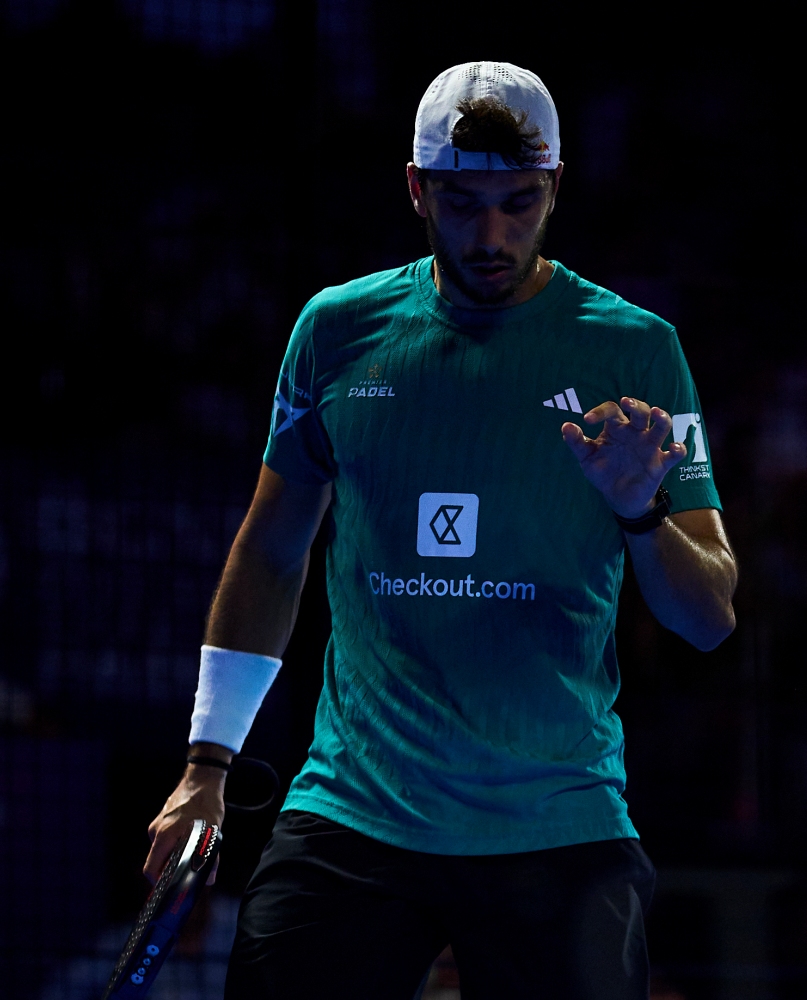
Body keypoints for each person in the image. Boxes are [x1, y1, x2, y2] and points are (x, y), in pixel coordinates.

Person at [141, 61, 738, 1000]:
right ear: (416, 189)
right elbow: (271, 551)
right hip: (354, 813)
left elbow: (708, 618)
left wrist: (640, 509)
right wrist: (205, 765)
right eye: (462, 204)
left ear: (556, 188)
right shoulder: (335, 331)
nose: (491, 236)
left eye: (519, 202)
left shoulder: (638, 349)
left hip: (559, 822)